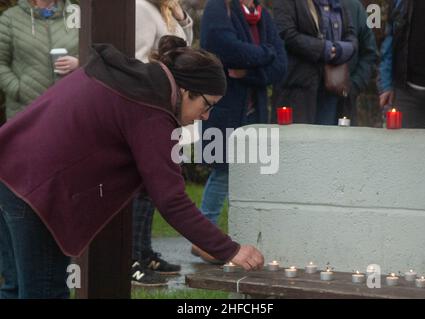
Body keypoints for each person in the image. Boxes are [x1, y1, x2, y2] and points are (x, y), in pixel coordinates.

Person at [0, 35, 264, 299]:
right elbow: (172, 200)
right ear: (185, 90)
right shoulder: (151, 109)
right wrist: (231, 250)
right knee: (44, 291)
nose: (205, 116)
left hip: (9, 167)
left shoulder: (129, 81)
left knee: (14, 288)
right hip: (34, 193)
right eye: (207, 105)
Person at [195, 0, 287, 263]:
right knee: (223, 171)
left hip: (254, 111)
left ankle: (242, 237)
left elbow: (279, 66)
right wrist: (265, 53)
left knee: (249, 174)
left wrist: (248, 72)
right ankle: (202, 238)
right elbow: (225, 50)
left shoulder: (263, 16)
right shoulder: (218, 9)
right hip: (224, 108)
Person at [131, 0, 194, 286]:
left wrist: (181, 16)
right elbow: (140, 58)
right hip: (149, 104)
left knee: (149, 190)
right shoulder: (142, 8)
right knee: (141, 188)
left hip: (164, 104)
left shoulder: (166, 9)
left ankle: (145, 252)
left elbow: (183, 52)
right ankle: (132, 257)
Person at [272, 0, 357, 125]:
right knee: (301, 141)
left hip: (332, 87)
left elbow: (351, 37)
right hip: (298, 89)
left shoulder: (338, 4)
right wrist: (324, 49)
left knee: (328, 141)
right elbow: (287, 34)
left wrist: (339, 50)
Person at [0, 0, 79, 120]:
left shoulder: (75, 14)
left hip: (71, 107)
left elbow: (95, 51)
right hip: (26, 110)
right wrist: (18, 90)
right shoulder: (10, 18)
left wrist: (79, 62)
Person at [378, 0, 425, 128]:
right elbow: (390, 41)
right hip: (406, 94)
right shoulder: (400, 2)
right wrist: (386, 85)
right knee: (405, 146)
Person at [337, 0, 378, 124]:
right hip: (308, 97)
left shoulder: (353, 7)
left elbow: (369, 52)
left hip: (345, 100)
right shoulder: (304, 5)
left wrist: (354, 85)